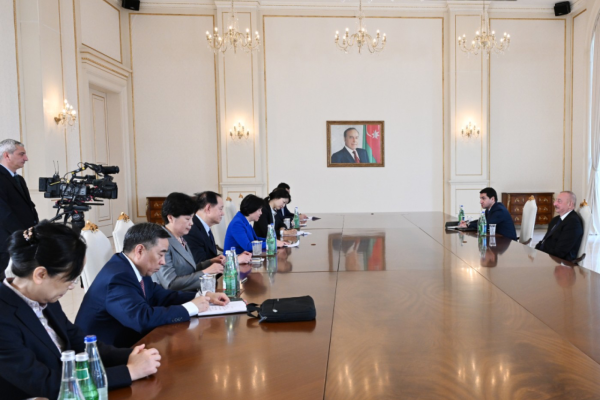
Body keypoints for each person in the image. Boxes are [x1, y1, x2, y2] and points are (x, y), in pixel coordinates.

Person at [0, 221, 161, 399]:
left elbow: (79, 342)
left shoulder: (44, 296)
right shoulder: (4, 316)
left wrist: (131, 355)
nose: (71, 287)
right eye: (69, 279)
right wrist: (129, 371)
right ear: (40, 275)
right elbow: (45, 383)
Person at [75, 223, 229, 347]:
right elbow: (142, 318)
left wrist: (204, 296)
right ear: (140, 250)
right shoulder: (118, 277)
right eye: (160, 254)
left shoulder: (133, 267)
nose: (163, 262)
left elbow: (160, 295)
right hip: (104, 358)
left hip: (131, 343)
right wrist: (191, 307)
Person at [152, 192, 223, 292]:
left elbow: (187, 269)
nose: (191, 223)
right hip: (174, 298)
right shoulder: (161, 242)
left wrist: (211, 262)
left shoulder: (180, 237)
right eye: (187, 219)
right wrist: (206, 272)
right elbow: (170, 283)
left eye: (192, 218)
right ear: (170, 218)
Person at [0, 139, 38, 280]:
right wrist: (23, 235)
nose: (26, 158)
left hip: (21, 240)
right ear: (7, 155)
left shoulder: (19, 179)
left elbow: (28, 207)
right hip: (5, 241)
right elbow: (3, 213)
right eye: (21, 154)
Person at [184, 191, 252, 265]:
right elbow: (199, 265)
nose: (223, 213)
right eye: (220, 209)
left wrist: (235, 257)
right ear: (208, 208)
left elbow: (212, 257)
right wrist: (235, 260)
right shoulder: (192, 230)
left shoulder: (204, 227)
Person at [535, 191, 583, 262]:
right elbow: (544, 241)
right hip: (545, 257)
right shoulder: (556, 219)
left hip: (559, 264)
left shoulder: (573, 223)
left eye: (559, 201)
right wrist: (535, 251)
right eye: (555, 201)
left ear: (570, 204)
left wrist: (540, 255)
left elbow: (559, 253)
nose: (554, 204)